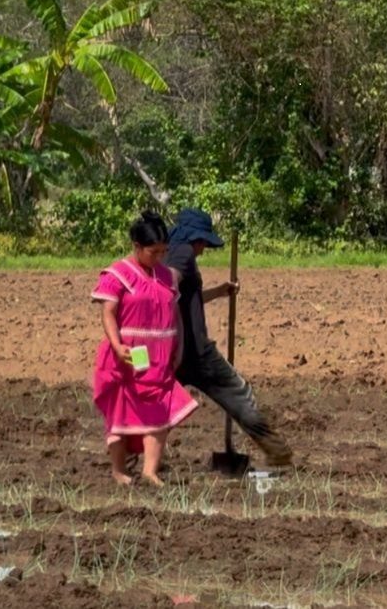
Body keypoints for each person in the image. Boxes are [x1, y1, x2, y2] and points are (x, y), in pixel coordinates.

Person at [165, 207, 293, 468]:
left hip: (172, 348)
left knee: (158, 403)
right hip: (194, 350)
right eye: (203, 243)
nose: (203, 249)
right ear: (196, 238)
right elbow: (168, 288)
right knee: (237, 391)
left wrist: (219, 291)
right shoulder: (183, 254)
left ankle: (133, 458)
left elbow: (187, 299)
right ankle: (276, 450)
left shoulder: (168, 252)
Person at [91, 211, 198, 486]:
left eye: (164, 251)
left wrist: (180, 347)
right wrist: (117, 346)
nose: (160, 257)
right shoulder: (118, 274)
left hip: (161, 354)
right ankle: (119, 470)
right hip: (131, 353)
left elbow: (175, 315)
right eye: (154, 251)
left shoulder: (166, 276)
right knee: (122, 409)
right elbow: (108, 314)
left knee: (159, 411)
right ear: (137, 247)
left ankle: (150, 470)